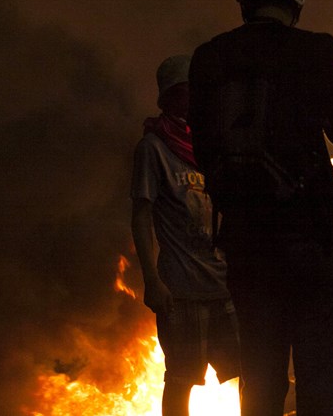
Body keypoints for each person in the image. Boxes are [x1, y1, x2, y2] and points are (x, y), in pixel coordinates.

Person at [187, 0, 333, 415]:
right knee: (319, 389)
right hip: (313, 241)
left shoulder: (208, 58)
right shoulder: (317, 49)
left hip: (247, 247)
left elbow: (202, 148)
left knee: (261, 387)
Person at [131, 54, 240, 416]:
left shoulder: (215, 144)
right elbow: (142, 217)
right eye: (188, 93)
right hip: (182, 291)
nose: (197, 101)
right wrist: (152, 279)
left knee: (246, 373)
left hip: (226, 286)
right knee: (181, 379)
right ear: (171, 97)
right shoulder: (154, 148)